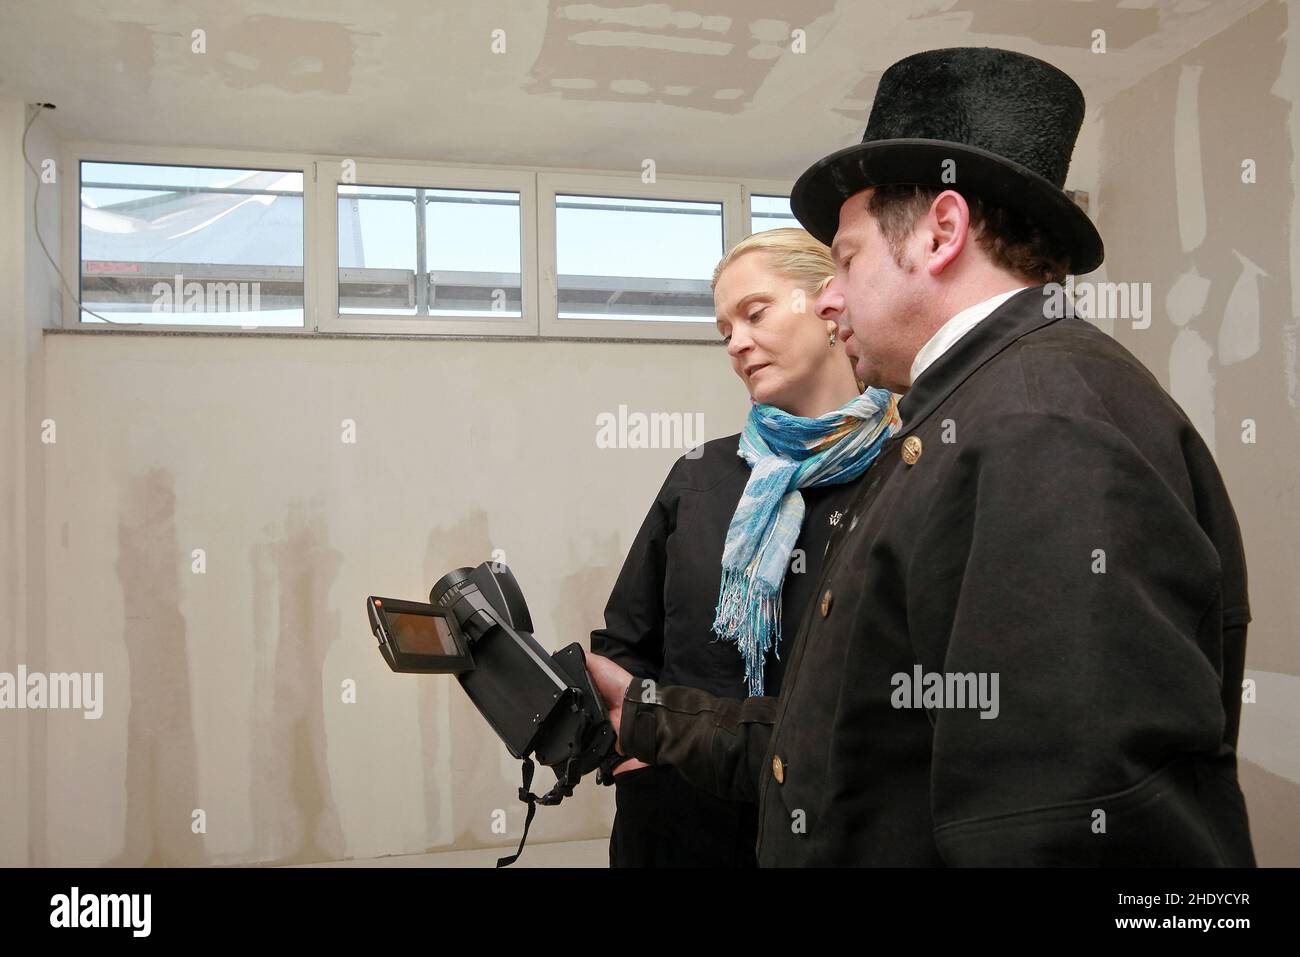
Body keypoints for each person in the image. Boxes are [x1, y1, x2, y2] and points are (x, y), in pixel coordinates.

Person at [588, 47, 1255, 866]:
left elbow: (1073, 832)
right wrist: (649, 716)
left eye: (846, 258)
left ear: (942, 231)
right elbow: (854, 744)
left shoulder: (1042, 429)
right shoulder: (962, 419)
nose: (829, 298)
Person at [591, 228, 899, 867]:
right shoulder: (699, 476)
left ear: (830, 303)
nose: (736, 343)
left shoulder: (907, 469)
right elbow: (627, 639)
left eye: (754, 313)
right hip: (679, 821)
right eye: (724, 330)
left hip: (827, 826)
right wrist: (632, 751)